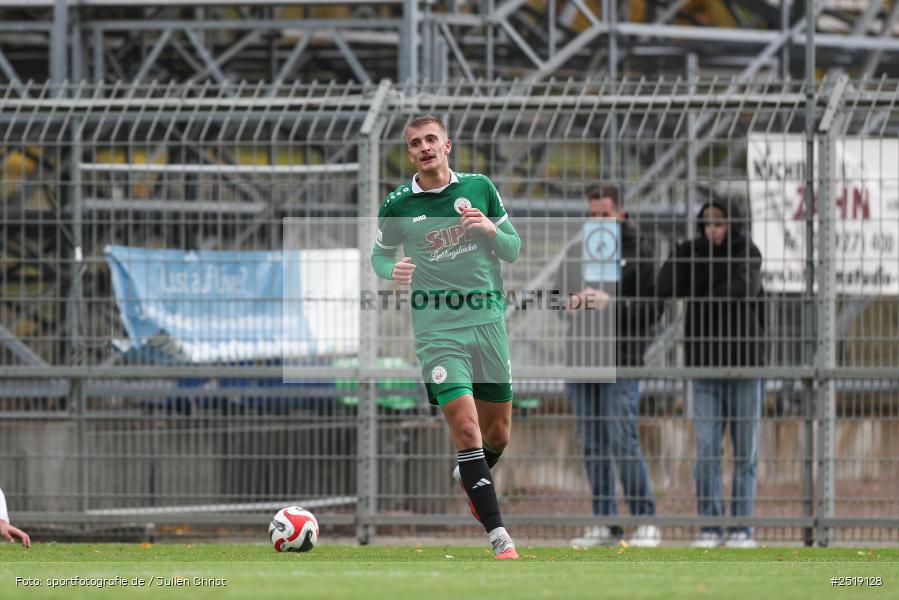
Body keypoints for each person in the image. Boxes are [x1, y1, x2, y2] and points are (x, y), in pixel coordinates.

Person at [370, 115, 521, 559]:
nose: (424, 147)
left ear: (447, 144)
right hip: (437, 330)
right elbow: (378, 258)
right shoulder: (397, 204)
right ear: (410, 154)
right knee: (467, 427)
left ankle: (469, 476)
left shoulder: (480, 188)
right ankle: (500, 539)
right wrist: (390, 270)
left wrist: (492, 230)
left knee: (499, 433)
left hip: (487, 323)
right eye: (415, 143)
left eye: (430, 139)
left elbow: (513, 248)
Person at [656, 198, 765, 549]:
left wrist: (702, 294)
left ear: (732, 223)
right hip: (704, 365)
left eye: (719, 223)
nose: (712, 230)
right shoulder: (693, 253)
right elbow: (666, 286)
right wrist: (680, 254)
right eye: (707, 224)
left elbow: (742, 289)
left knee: (745, 452)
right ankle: (710, 526)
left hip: (745, 366)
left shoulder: (747, 251)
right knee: (706, 451)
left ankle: (743, 528)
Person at [554, 185, 661, 548]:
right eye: (593, 214)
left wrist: (611, 303)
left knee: (622, 438)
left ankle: (645, 519)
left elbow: (653, 310)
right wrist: (569, 303)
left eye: (605, 214)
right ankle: (605, 522)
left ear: (621, 215)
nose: (598, 221)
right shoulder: (576, 251)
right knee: (592, 443)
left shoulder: (640, 252)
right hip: (582, 360)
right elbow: (556, 297)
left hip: (622, 361)